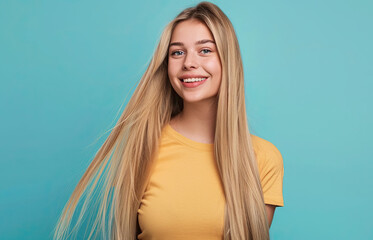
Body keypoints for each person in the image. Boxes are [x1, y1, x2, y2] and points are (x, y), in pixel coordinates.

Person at [54, 2, 284, 240]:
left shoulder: (262, 158)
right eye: (177, 52)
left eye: (205, 50)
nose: (188, 63)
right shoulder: (141, 148)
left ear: (229, 60)